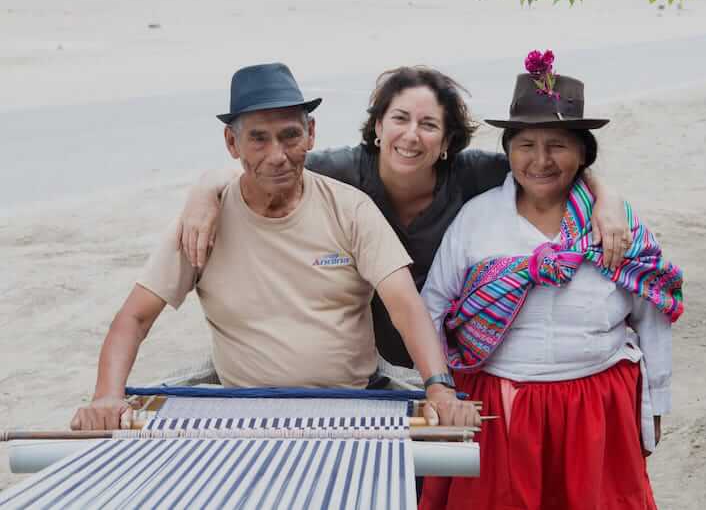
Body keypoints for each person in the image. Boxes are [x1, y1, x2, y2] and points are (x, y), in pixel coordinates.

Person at [70, 63, 479, 431]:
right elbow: (135, 318)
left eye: (289, 136)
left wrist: (439, 386)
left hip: (355, 403)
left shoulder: (350, 208)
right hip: (242, 410)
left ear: (311, 134)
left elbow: (405, 306)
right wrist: (106, 395)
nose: (277, 155)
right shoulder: (202, 223)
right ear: (232, 144)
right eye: (258, 140)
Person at [177, 66, 632, 370]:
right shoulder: (342, 172)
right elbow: (270, 165)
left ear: (448, 140)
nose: (411, 136)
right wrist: (204, 189)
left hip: (448, 360)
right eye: (399, 119)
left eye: (429, 125)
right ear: (377, 127)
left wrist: (606, 197)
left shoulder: (471, 176)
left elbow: (547, 168)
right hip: (364, 365)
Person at [418, 57, 684, 510]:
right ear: (508, 151)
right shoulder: (479, 220)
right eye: (525, 145)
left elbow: (652, 313)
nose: (540, 160)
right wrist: (440, 390)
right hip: (499, 413)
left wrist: (657, 404)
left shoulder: (615, 228)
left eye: (558, 145)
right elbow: (432, 308)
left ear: (583, 154)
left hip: (596, 410)